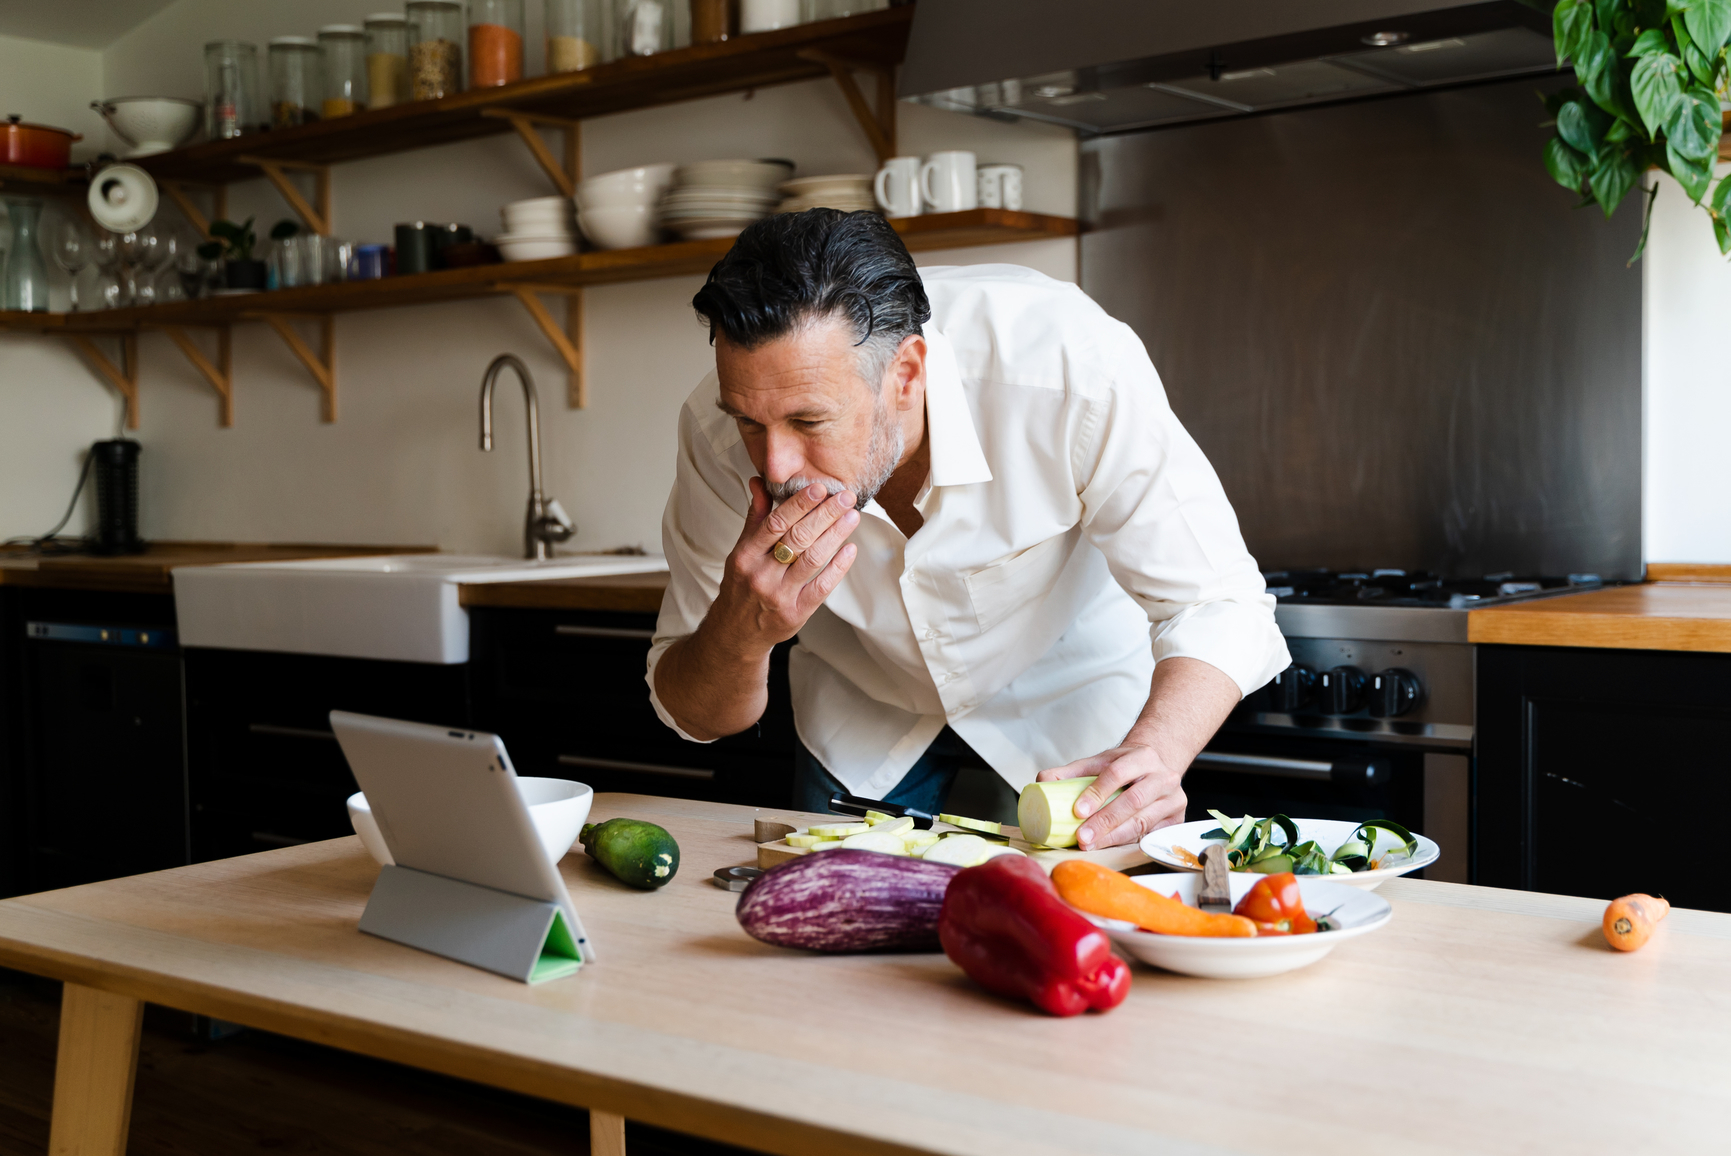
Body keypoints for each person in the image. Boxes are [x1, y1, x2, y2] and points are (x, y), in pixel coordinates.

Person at [645, 210, 1289, 850]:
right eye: (750, 424)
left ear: (906, 375)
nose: (775, 465)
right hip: (866, 708)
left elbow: (1217, 601)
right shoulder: (711, 428)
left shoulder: (1070, 365)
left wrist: (1157, 753)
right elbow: (692, 713)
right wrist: (739, 632)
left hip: (1072, 691)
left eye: (810, 422)